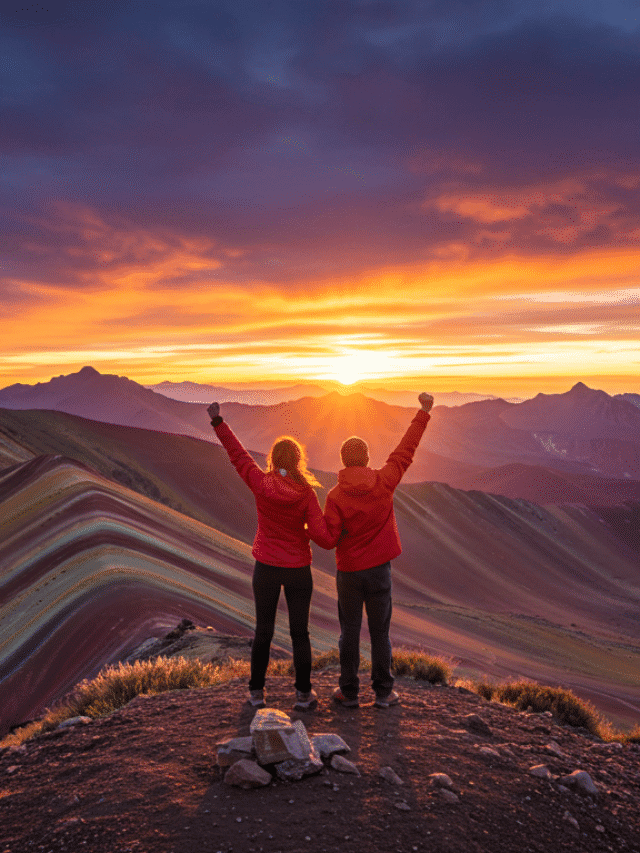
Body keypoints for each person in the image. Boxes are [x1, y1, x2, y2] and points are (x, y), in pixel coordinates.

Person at [208, 402, 334, 711]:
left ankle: (256, 694)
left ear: (273, 459)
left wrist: (218, 422)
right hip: (298, 570)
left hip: (266, 567)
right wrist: (312, 532)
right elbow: (323, 538)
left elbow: (238, 456)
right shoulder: (307, 493)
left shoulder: (262, 485)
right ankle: (304, 695)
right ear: (298, 461)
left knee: (263, 631)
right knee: (299, 633)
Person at [323, 392, 434, 709]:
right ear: (367, 458)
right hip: (379, 571)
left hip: (348, 573)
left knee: (349, 634)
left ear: (344, 460)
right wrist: (423, 412)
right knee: (380, 633)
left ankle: (349, 693)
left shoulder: (334, 496)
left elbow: (329, 539)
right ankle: (384, 693)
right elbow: (405, 451)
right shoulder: (384, 481)